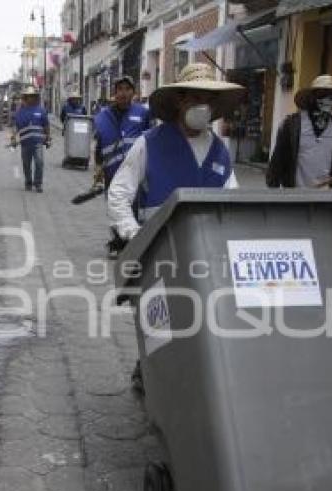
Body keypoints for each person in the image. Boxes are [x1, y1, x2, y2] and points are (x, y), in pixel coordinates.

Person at [107, 62, 245, 392]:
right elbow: (119, 193)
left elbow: (234, 197)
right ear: (179, 101)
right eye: (195, 97)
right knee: (160, 318)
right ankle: (149, 369)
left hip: (207, 251)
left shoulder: (220, 150)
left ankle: (197, 372)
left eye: (208, 98)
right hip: (160, 249)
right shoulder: (149, 143)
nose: (202, 105)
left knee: (201, 316)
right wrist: (133, 234)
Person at [93, 75, 153, 257]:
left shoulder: (143, 113)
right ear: (115, 93)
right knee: (115, 203)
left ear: (133, 93)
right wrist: (98, 167)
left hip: (135, 170)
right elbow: (99, 144)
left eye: (127, 89)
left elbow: (150, 139)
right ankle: (118, 241)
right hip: (112, 169)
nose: (123, 93)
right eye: (120, 89)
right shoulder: (103, 116)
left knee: (134, 204)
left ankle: (127, 241)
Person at [267, 75, 332, 189]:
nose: (328, 100)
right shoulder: (292, 125)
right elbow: (278, 160)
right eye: (323, 95)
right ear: (312, 98)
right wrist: (274, 194)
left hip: (326, 198)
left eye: (331, 96)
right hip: (295, 195)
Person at [10, 86, 51, 193]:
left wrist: (48, 138)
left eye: (33, 96)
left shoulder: (41, 110)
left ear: (36, 97)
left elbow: (46, 125)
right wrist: (13, 138)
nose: (30, 98)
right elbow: (15, 127)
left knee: (39, 162)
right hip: (25, 143)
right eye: (28, 96)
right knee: (26, 164)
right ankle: (28, 181)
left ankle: (38, 183)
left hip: (38, 142)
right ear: (25, 97)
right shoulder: (20, 112)